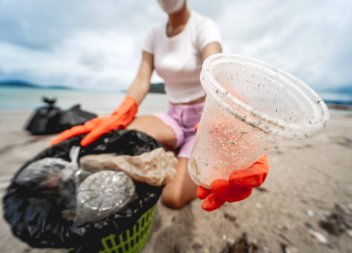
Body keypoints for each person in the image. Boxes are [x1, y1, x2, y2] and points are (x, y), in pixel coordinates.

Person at [52, 0, 269, 211]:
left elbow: (215, 68)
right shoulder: (154, 35)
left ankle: (184, 153)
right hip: (173, 116)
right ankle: (173, 150)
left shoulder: (203, 27)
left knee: (172, 199)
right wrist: (122, 111)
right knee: (117, 136)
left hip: (202, 124)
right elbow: (141, 79)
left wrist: (233, 115)